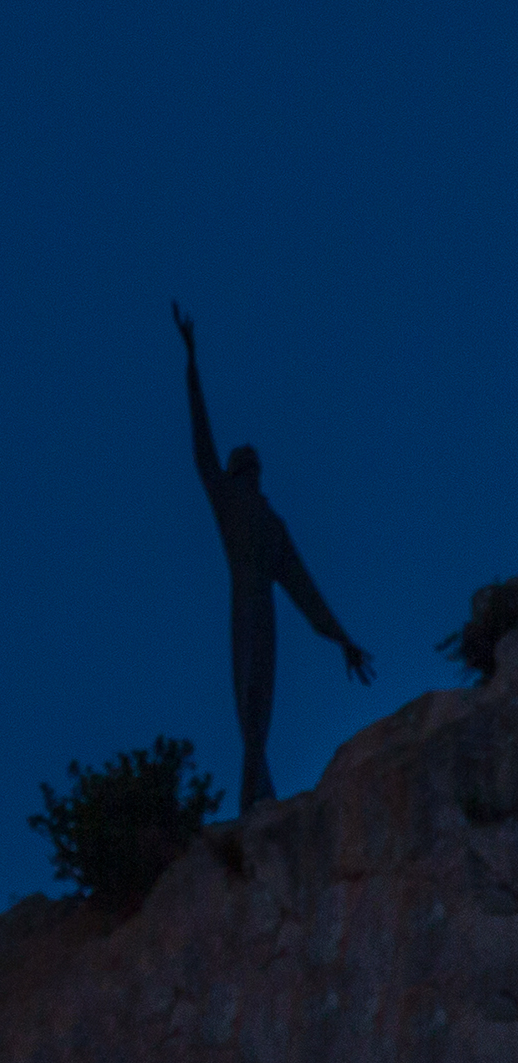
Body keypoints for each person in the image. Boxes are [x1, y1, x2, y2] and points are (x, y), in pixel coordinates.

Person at [173, 302, 373, 814]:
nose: (252, 475)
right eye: (251, 469)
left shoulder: (253, 514)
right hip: (254, 608)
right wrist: (341, 638)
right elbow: (202, 444)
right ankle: (254, 798)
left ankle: (254, 800)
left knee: (254, 708)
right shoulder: (250, 513)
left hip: (253, 609)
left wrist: (342, 638)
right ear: (249, 472)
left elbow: (305, 588)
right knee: (252, 708)